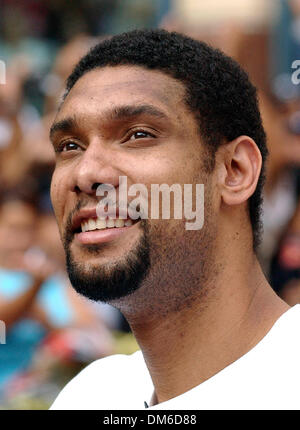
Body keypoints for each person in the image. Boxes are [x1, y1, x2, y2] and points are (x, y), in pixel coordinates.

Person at [49, 29, 300, 410]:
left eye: (137, 135)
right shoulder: (89, 395)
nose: (86, 173)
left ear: (234, 170)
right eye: (70, 146)